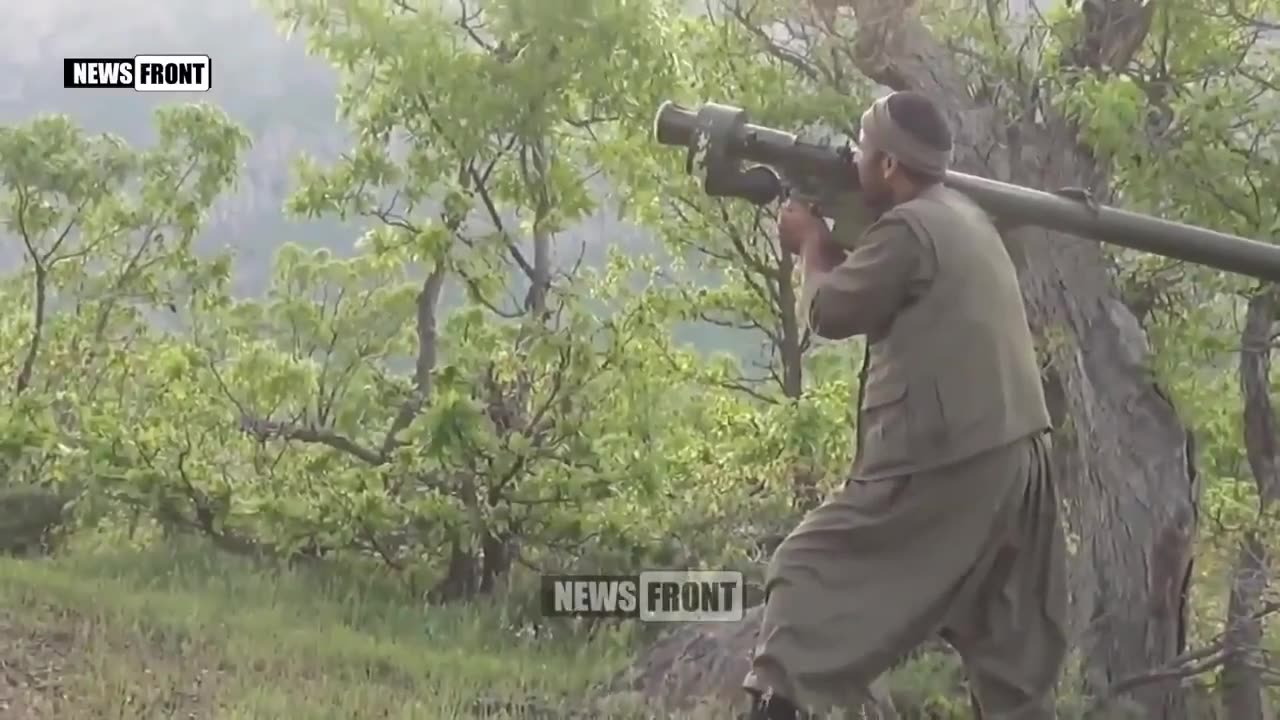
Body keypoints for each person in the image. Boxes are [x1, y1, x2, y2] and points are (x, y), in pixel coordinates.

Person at [741, 90, 1069, 719]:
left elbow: (832, 310)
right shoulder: (963, 216)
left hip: (954, 459)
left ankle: (781, 703)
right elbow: (867, 286)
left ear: (889, 165)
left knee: (805, 571)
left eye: (864, 147)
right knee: (1009, 659)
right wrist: (829, 243)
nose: (855, 156)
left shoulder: (910, 228)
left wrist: (809, 244)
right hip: (1020, 456)